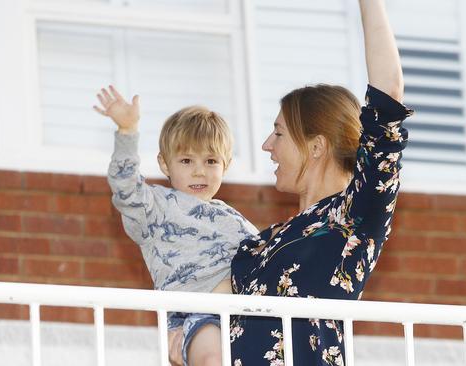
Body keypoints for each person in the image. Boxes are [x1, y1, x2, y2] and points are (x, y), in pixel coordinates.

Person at [169, 0, 412, 364]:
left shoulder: (352, 216)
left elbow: (388, 94)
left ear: (315, 146)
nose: (267, 145)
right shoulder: (258, 243)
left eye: (278, 133)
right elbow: (206, 309)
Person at [94, 87, 260, 366]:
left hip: (241, 315)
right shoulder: (155, 206)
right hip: (194, 315)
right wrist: (127, 131)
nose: (199, 171)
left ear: (226, 165)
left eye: (210, 161)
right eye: (186, 160)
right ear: (164, 163)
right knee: (212, 358)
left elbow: (263, 258)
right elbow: (125, 190)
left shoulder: (234, 219)